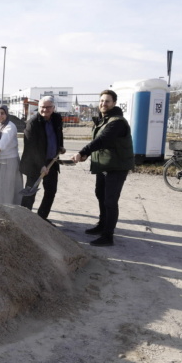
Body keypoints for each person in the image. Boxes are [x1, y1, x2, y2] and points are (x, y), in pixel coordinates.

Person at [71, 89, 134, 247]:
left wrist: (82, 152)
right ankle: (102, 225)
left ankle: (108, 236)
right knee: (101, 195)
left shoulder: (117, 122)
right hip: (104, 165)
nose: (103, 104)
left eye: (107, 101)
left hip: (116, 166)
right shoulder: (104, 119)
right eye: (101, 101)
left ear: (114, 103)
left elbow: (103, 140)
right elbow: (102, 145)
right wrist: (87, 155)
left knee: (110, 201)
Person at [20, 96, 65, 224]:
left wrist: (60, 146)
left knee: (51, 191)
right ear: (38, 107)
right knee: (30, 192)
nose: (45, 110)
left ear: (53, 107)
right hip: (34, 163)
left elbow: (59, 133)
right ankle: (23, 219)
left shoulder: (56, 118)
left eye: (48, 107)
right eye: (42, 107)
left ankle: (42, 218)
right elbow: (30, 147)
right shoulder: (32, 123)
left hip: (52, 162)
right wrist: (41, 165)